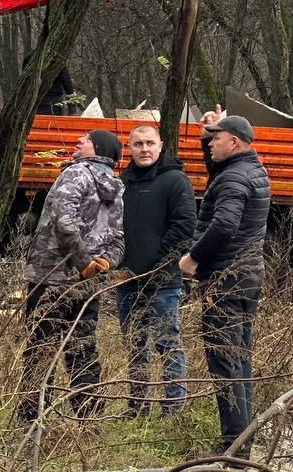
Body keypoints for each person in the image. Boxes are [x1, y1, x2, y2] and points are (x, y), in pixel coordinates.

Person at [179, 109, 270, 456]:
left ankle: (234, 448)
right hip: (247, 276)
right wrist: (208, 131)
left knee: (224, 361)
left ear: (233, 142)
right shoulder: (250, 168)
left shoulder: (234, 179)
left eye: (216, 139)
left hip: (226, 279)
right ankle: (242, 441)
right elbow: (218, 169)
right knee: (239, 358)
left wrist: (193, 258)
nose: (210, 144)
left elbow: (223, 225)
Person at [17, 129, 124, 421]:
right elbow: (118, 239)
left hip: (50, 276)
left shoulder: (75, 174)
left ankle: (30, 419)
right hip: (89, 285)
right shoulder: (116, 187)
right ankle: (88, 417)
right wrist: (103, 263)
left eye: (86, 139)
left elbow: (64, 222)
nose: (78, 142)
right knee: (83, 348)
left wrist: (84, 263)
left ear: (98, 148)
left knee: (41, 348)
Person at [117, 123, 196, 417]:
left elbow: (185, 226)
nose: (144, 149)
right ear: (130, 148)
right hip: (127, 280)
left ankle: (173, 407)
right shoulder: (123, 182)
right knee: (135, 345)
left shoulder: (175, 180)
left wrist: (156, 264)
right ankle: (137, 406)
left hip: (163, 281)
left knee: (168, 344)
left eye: (150, 143)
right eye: (138, 144)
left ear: (161, 146)